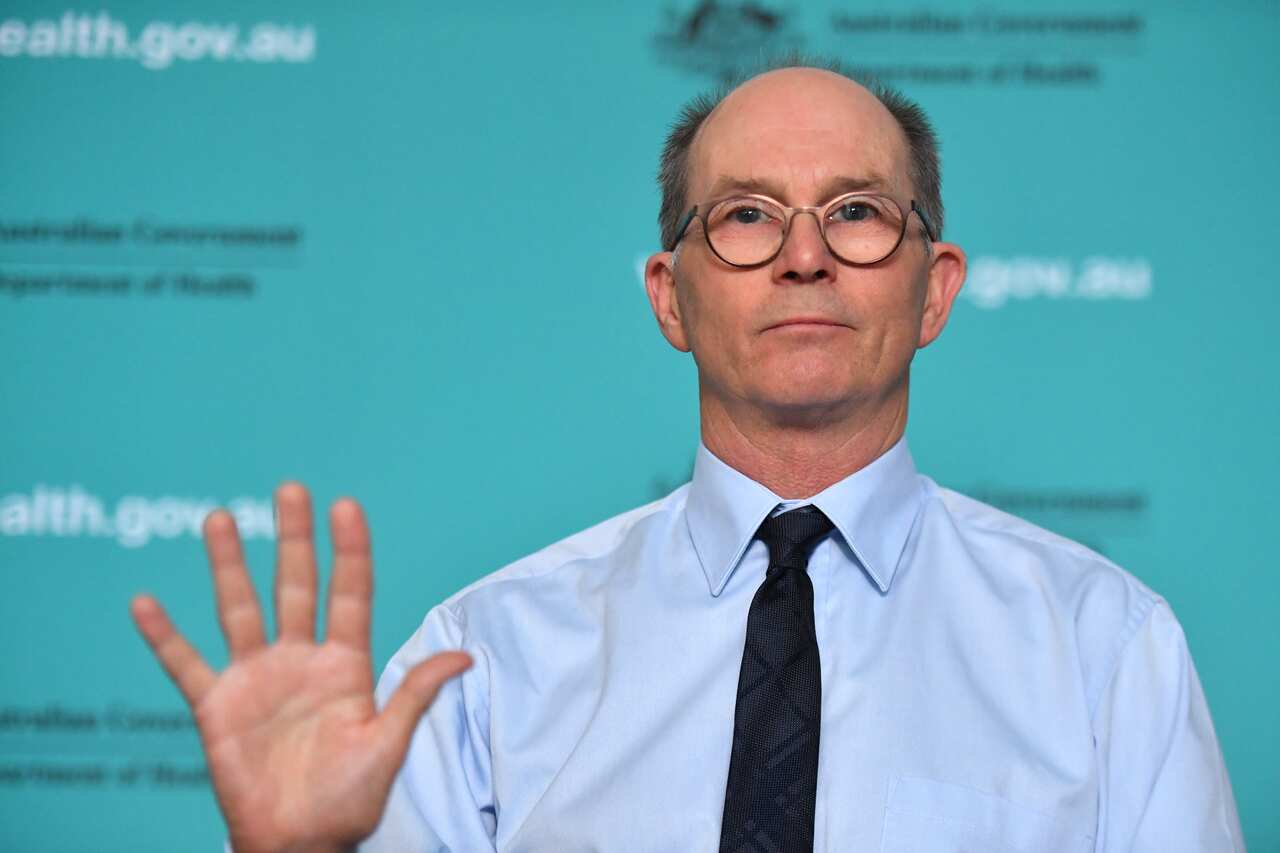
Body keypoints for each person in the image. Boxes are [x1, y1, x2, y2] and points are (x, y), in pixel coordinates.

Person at [130, 59, 1245, 852]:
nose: (804, 256)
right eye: (746, 217)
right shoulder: (485, 662)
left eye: (854, 212)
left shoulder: (1107, 651)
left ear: (933, 288)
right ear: (670, 295)